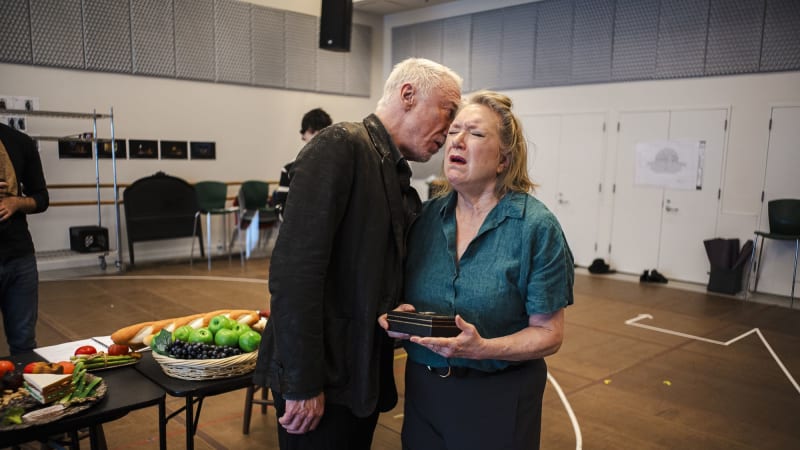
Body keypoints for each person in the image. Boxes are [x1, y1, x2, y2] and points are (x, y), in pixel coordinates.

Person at [254, 58, 462, 450]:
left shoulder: (394, 175)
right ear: (408, 94)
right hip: (321, 382)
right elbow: (294, 273)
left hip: (358, 378)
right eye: (448, 111)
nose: (450, 130)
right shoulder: (341, 146)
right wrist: (301, 382)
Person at [379, 91, 574, 450]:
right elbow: (409, 297)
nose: (458, 140)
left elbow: (549, 333)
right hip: (424, 391)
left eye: (476, 133)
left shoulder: (535, 227)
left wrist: (482, 348)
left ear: (504, 159)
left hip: (498, 397)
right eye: (453, 131)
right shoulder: (425, 220)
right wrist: (403, 317)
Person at [0, 122, 49, 355]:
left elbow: (41, 198)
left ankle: (21, 392)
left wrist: (16, 202)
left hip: (19, 258)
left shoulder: (20, 142)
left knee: (24, 343)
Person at [271, 108, 333, 220]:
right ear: (305, 134)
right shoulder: (290, 169)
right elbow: (282, 211)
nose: (319, 139)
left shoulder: (338, 166)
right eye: (314, 133)